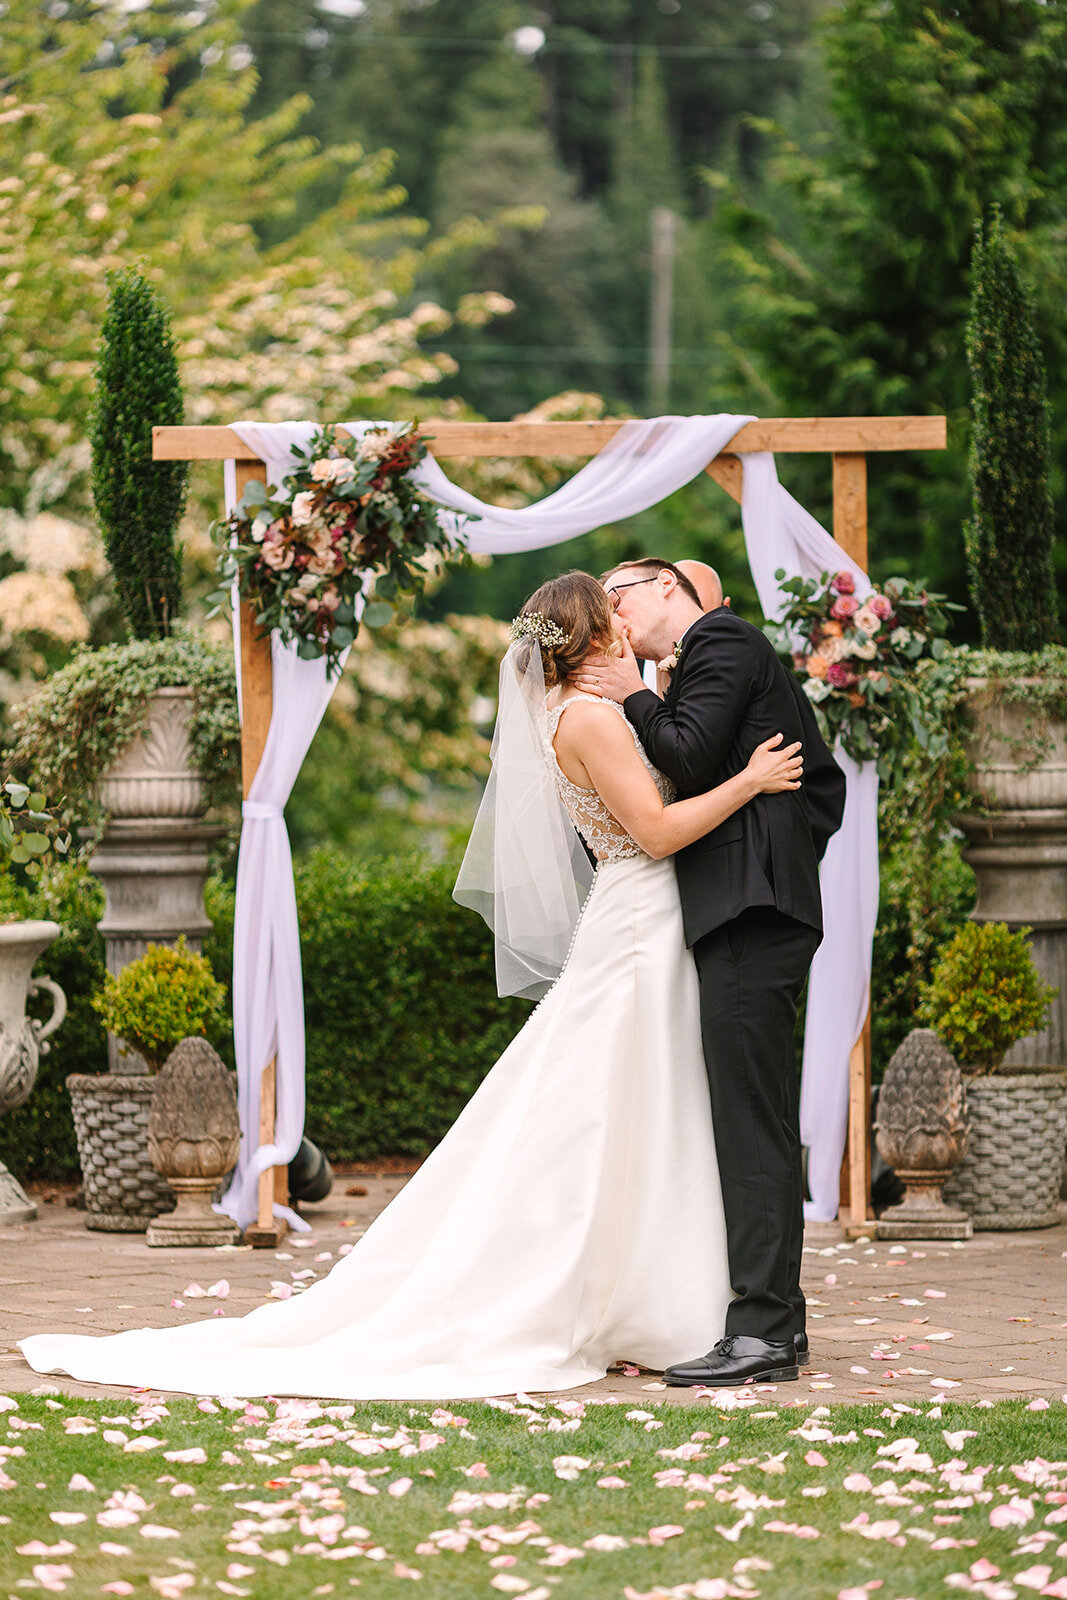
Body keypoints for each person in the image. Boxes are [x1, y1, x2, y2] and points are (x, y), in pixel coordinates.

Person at [19, 572, 803, 1401]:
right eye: (612, 618)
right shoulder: (592, 719)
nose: (626, 626)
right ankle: (615, 1294)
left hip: (641, 922)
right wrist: (747, 782)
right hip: (640, 923)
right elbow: (654, 830)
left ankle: (652, 1293)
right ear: (593, 640)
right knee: (611, 1111)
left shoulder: (575, 712)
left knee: (640, 1111)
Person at [575, 558, 845, 1388]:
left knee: (748, 1120)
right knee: (747, 1113)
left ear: (666, 591)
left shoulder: (719, 638)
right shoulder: (697, 664)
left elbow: (688, 761)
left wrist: (631, 692)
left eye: (617, 595)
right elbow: (821, 789)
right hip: (751, 906)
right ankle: (778, 1328)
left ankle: (760, 1332)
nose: (611, 615)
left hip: (748, 911)